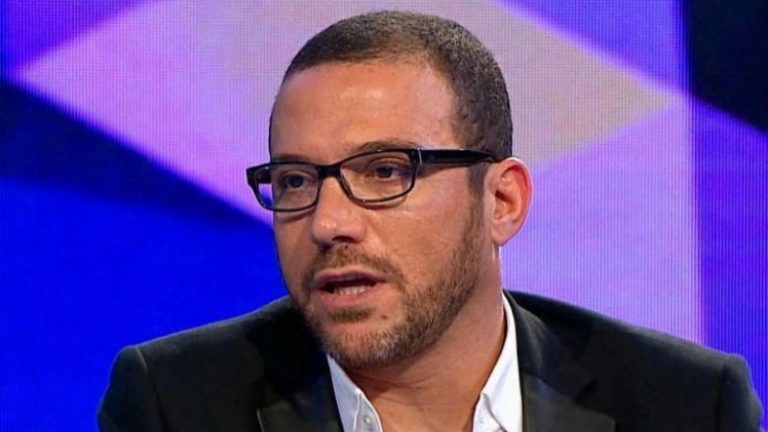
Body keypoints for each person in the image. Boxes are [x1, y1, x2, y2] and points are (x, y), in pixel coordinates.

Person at [98, 10, 764, 432]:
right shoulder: (176, 405)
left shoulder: (685, 406)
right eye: (296, 180)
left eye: (386, 171)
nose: (328, 223)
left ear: (501, 202)